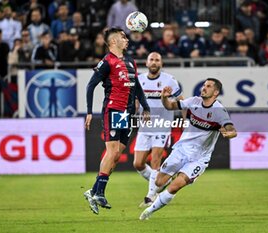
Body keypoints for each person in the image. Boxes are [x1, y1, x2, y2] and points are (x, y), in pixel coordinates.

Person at [139, 78, 237, 220]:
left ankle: (149, 211)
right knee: (159, 183)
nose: (204, 88)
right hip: (181, 150)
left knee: (175, 186)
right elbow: (169, 106)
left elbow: (231, 129)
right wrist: (164, 97)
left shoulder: (219, 111)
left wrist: (230, 133)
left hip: (199, 158)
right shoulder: (193, 102)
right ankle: (171, 175)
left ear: (216, 92)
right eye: (204, 85)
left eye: (208, 86)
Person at [84, 28, 150, 215]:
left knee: (117, 154)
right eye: (123, 37)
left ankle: (93, 191)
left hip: (127, 112)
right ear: (113, 42)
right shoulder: (107, 62)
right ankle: (100, 193)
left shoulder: (130, 62)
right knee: (112, 151)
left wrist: (145, 106)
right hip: (113, 108)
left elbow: (136, 85)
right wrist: (89, 112)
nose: (127, 40)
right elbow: (90, 86)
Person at [133, 52, 183, 207]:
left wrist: (187, 120)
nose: (154, 62)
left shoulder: (169, 80)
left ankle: (150, 196)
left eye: (157, 60)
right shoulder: (139, 80)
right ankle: (161, 182)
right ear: (147, 63)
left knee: (156, 160)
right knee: (138, 164)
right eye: (151, 60)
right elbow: (135, 103)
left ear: (161, 63)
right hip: (144, 126)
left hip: (162, 125)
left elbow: (182, 101)